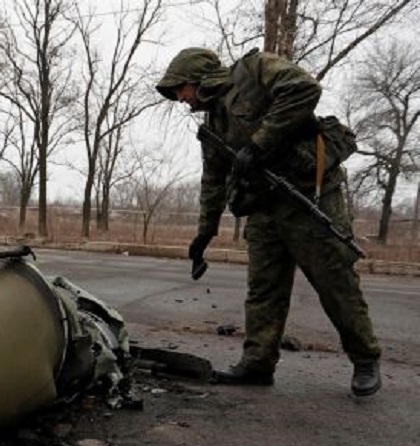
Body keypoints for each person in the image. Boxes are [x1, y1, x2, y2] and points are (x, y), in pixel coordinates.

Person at [155, 47, 382, 396]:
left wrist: (260, 144)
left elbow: (305, 89)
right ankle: (258, 364)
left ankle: (365, 359)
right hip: (263, 205)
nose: (180, 99)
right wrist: (204, 235)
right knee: (264, 289)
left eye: (180, 89)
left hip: (308, 195)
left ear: (197, 79)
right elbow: (213, 180)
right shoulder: (214, 123)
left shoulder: (255, 70)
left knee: (334, 281)